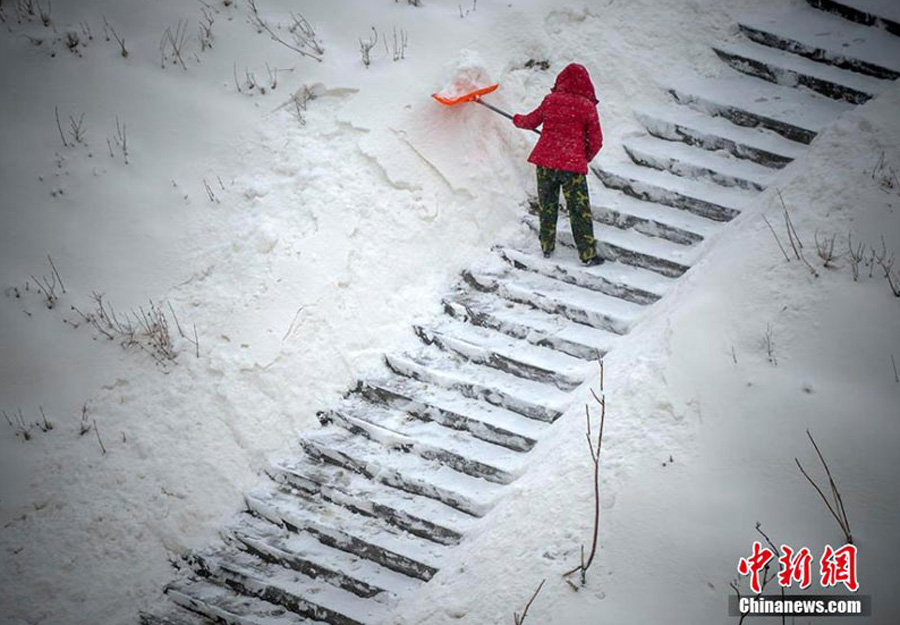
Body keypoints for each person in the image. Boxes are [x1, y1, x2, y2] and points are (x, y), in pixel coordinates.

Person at [513, 63, 604, 266]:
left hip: (546, 163)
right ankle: (587, 254)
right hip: (572, 167)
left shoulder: (551, 100)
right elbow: (597, 141)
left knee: (547, 205)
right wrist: (582, 156)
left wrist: (517, 119)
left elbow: (529, 121)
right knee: (579, 209)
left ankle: (546, 246)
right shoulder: (586, 106)